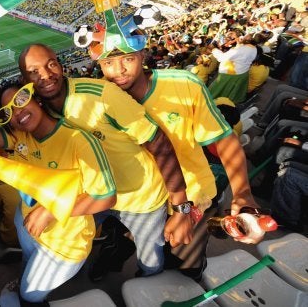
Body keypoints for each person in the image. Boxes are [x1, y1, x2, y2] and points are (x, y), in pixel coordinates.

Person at [95, 16, 259, 280]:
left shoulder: (183, 84)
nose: (119, 70)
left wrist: (242, 192)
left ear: (142, 54)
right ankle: (118, 250)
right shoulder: (98, 97)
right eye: (108, 62)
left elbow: (223, 138)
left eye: (127, 58)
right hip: (135, 196)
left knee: (184, 264)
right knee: (128, 237)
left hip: (190, 192)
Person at [18, 43, 192, 280]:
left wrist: (181, 208)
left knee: (151, 262)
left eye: (50, 65)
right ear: (25, 79)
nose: (46, 75)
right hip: (95, 198)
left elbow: (159, 143)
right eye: (34, 71)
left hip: (140, 198)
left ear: (60, 64)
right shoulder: (40, 112)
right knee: (91, 234)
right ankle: (112, 251)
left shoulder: (101, 96)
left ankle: (149, 283)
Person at [0, 66, 116, 305]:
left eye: (21, 99)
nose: (17, 112)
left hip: (64, 243)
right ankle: (25, 280)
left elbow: (106, 197)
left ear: (38, 100)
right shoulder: (20, 137)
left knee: (29, 296)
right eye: (8, 111)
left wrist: (51, 210)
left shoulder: (78, 141)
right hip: (29, 226)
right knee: (27, 265)